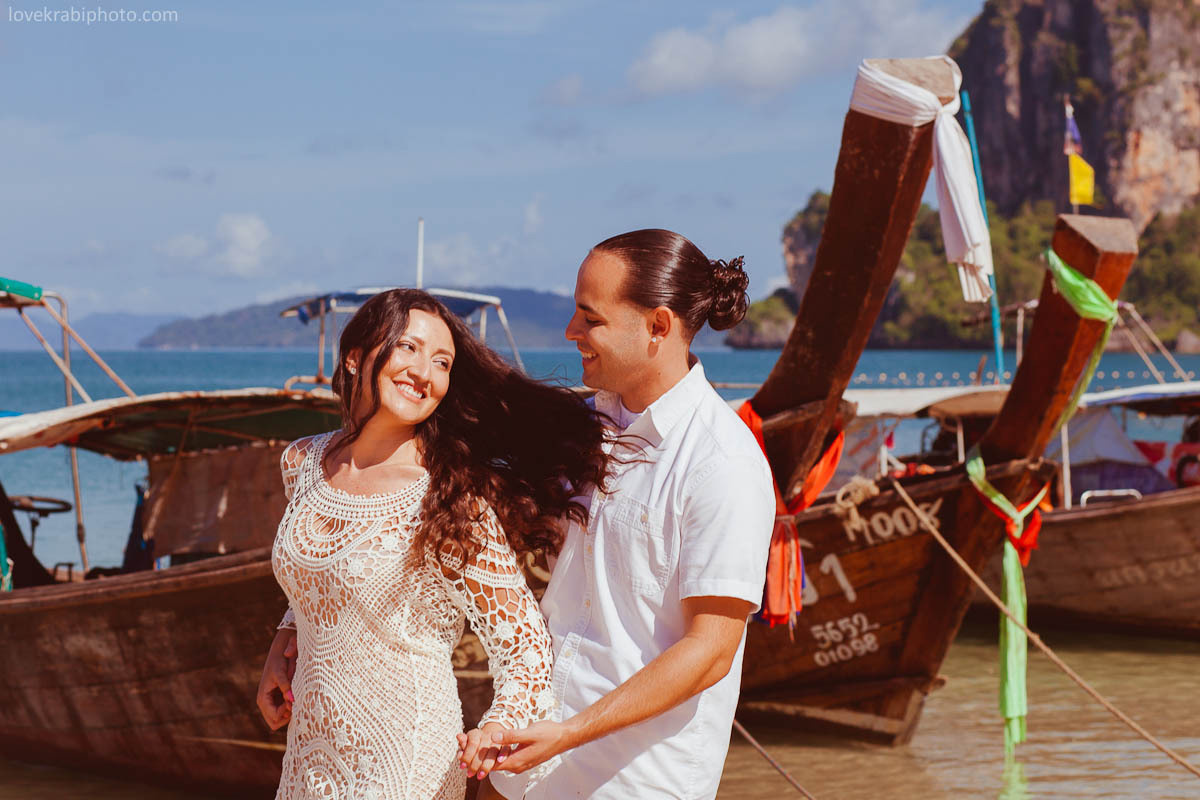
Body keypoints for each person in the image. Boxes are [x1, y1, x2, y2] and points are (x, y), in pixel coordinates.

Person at [255, 289, 608, 800]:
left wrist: (498, 728)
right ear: (354, 356)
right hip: (310, 751)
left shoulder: (447, 495)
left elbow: (524, 642)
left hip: (406, 757)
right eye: (408, 348)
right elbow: (323, 573)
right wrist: (283, 642)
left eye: (441, 362)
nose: (425, 372)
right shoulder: (303, 463)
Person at [484, 229, 776, 799]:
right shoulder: (587, 428)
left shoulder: (722, 461)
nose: (571, 332)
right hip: (527, 763)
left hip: (633, 781)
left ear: (658, 327)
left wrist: (569, 733)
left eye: (589, 318)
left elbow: (710, 651)